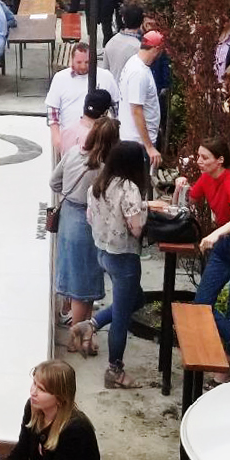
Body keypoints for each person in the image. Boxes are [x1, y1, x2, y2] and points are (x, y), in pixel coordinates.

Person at [175, 138, 230, 378]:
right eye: (198, 156)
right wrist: (180, 187)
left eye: (204, 157)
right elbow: (187, 205)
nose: (199, 161)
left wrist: (215, 234)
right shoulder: (206, 178)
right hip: (223, 246)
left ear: (220, 160)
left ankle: (227, 366)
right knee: (202, 304)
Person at [73, 142, 150, 389]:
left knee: (136, 299)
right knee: (122, 317)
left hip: (103, 252)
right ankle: (115, 370)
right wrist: (146, 211)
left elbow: (90, 217)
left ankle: (91, 324)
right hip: (124, 256)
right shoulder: (130, 188)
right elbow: (136, 228)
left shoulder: (99, 185)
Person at [0, 360, 102, 460]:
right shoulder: (33, 408)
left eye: (41, 389)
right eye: (34, 383)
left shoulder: (76, 430)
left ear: (60, 398)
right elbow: (22, 450)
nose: (33, 392)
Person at [53, 106, 114, 356]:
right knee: (83, 284)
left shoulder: (72, 154)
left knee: (81, 279)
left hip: (69, 215)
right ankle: (76, 338)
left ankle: (85, 333)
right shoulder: (104, 167)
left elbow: (54, 182)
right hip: (88, 222)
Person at [44, 44, 120, 137]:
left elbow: (116, 107)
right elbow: (52, 110)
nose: (83, 66)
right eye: (79, 62)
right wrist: (56, 137)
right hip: (70, 137)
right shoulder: (60, 78)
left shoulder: (106, 76)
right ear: (72, 60)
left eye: (87, 62)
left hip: (99, 138)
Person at [116, 30, 164, 168]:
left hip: (133, 138)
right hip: (138, 142)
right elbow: (136, 110)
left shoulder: (134, 62)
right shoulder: (139, 73)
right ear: (156, 49)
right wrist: (149, 147)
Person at [100, 3, 144, 79]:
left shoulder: (111, 42)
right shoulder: (139, 48)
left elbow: (105, 72)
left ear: (123, 19)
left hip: (113, 84)